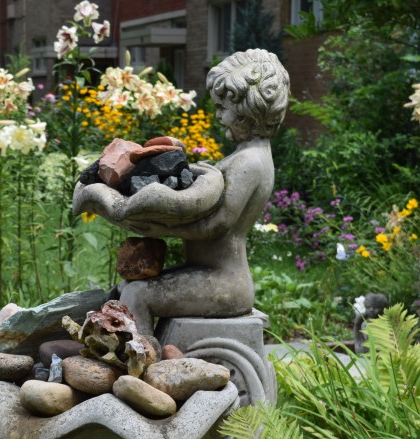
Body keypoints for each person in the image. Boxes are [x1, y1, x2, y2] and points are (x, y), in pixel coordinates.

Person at [102, 49, 290, 336]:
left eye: (223, 107)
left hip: (225, 282)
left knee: (137, 295)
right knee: (125, 289)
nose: (217, 116)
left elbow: (217, 225)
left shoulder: (250, 162)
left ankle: (142, 369)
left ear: (248, 110)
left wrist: (160, 224)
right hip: (210, 274)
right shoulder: (248, 156)